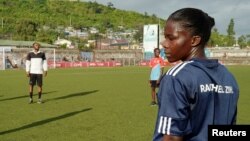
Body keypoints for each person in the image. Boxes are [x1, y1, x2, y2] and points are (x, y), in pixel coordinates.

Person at [153, 8, 239, 141]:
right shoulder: (228, 77)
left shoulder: (176, 77)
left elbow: (171, 137)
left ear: (194, 41)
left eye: (171, 38)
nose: (163, 44)